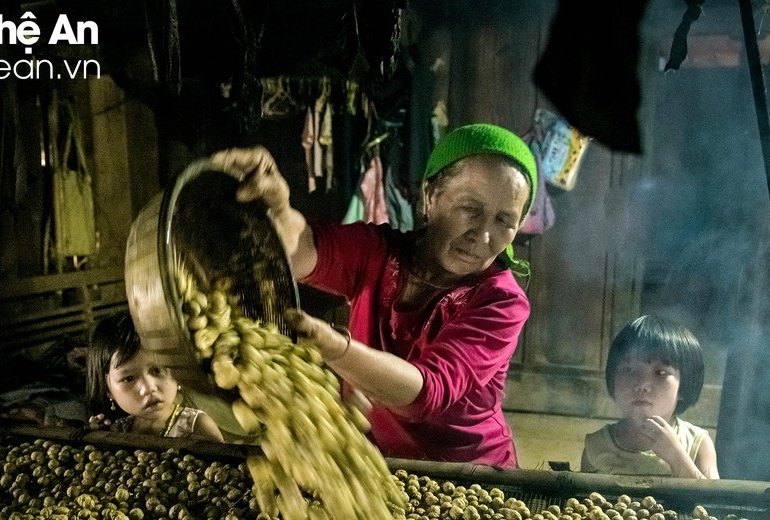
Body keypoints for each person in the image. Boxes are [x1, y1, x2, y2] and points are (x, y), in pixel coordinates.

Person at [212, 123, 537, 467]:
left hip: (469, 475)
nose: (484, 236)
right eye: (471, 209)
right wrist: (277, 209)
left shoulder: (501, 301)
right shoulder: (380, 253)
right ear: (431, 196)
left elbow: (426, 393)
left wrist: (336, 349)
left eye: (504, 220)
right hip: (380, 464)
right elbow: (300, 250)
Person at [581, 315, 719, 479]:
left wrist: (676, 456)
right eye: (630, 370)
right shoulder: (597, 446)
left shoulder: (697, 443)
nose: (642, 384)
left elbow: (712, 502)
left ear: (684, 385)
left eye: (660, 373)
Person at [86, 312, 224, 441]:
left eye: (157, 370)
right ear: (109, 389)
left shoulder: (197, 427)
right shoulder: (118, 430)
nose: (148, 388)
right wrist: (99, 438)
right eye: (129, 378)